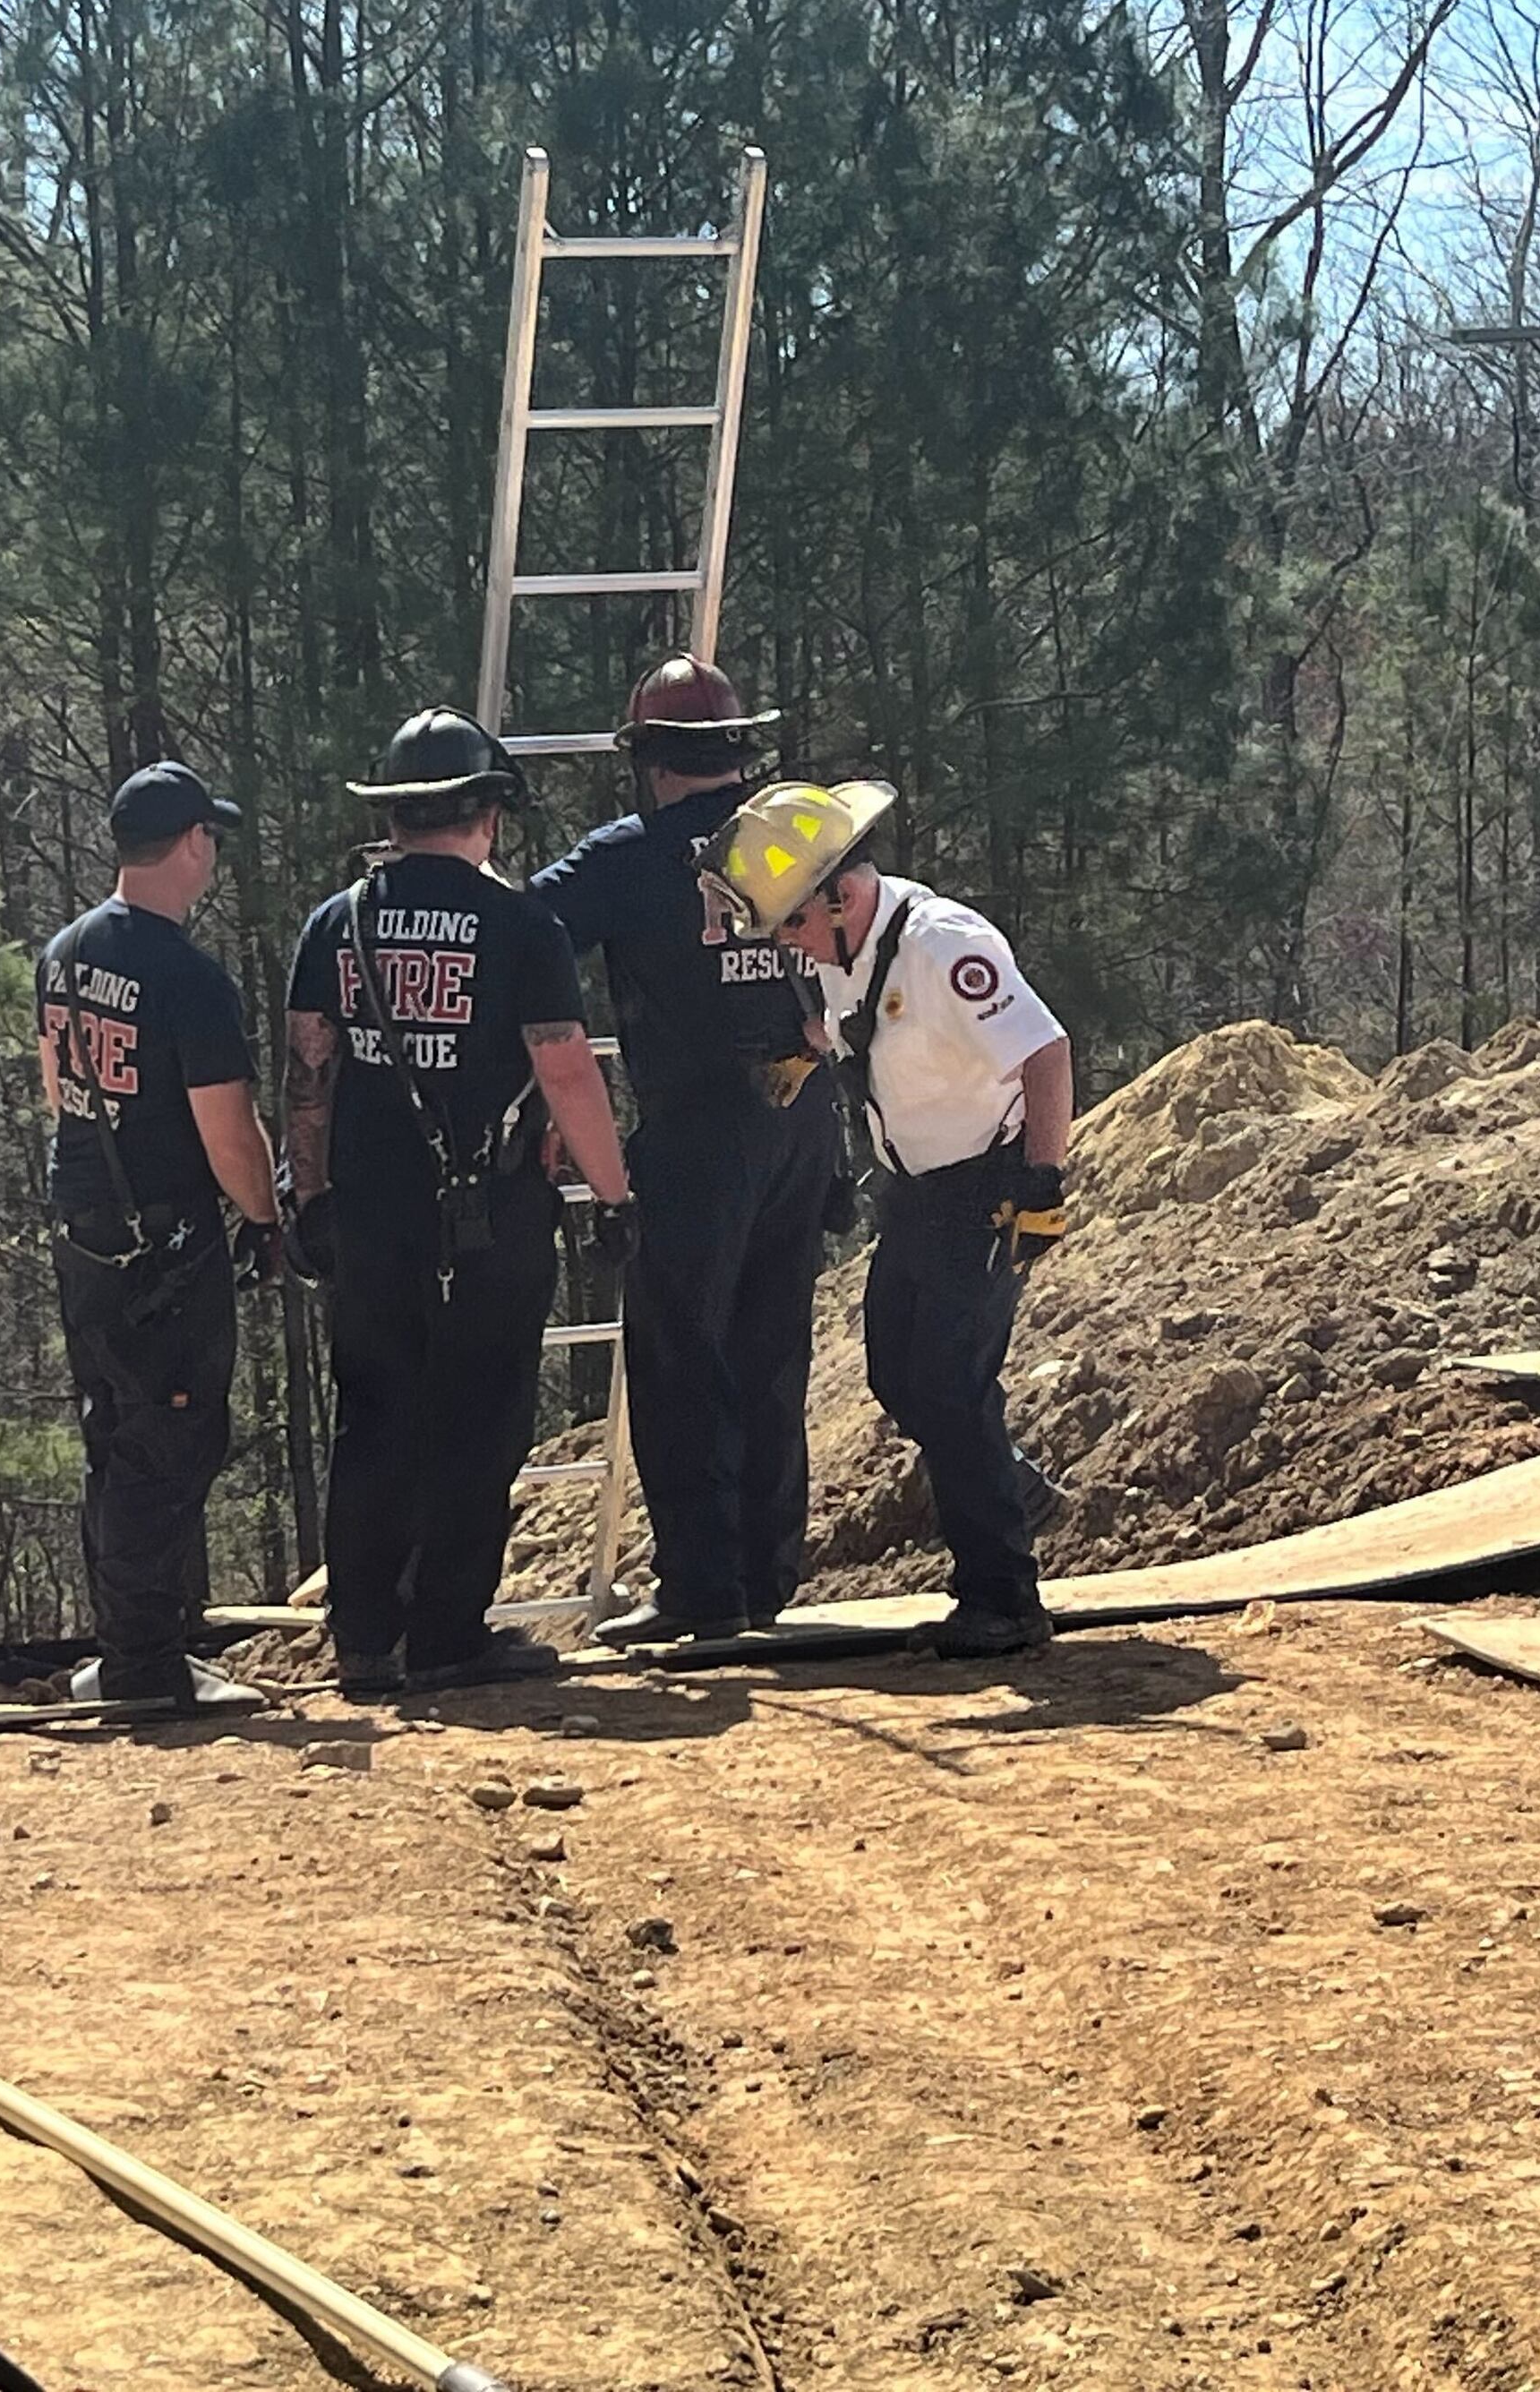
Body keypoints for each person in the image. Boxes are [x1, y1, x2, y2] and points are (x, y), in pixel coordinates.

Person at [285, 708, 635, 1696]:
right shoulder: (522, 923)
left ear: (394, 814)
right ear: (486, 811)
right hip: (490, 1212)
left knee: (374, 1417)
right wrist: (612, 1195)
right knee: (479, 1423)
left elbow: (308, 1069)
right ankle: (445, 1633)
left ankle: (362, 1640)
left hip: (367, 1213)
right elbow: (566, 1070)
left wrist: (306, 1197)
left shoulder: (336, 922)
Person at [702, 780, 1074, 1658]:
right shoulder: (842, 944)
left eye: (792, 923)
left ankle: (1003, 1599)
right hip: (914, 1191)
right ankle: (1008, 1490)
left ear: (842, 891)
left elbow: (1046, 1050)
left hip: (985, 1184)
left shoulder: (945, 948)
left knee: (951, 1384)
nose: (787, 943)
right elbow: (849, 1017)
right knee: (895, 1376)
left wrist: (1044, 1184)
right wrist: (807, 1051)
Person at [531, 658, 838, 1647]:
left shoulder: (626, 859)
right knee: (771, 1348)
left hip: (697, 1126)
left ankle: (704, 1589)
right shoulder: (802, 838)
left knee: (680, 1355)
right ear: (739, 752)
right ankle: (765, 1576)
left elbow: (523, 934)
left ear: (650, 762)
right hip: (801, 1115)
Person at [37, 760, 283, 1711]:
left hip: (84, 1227)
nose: (213, 855)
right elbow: (228, 1129)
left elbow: (61, 1088)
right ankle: (145, 1663)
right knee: (170, 1438)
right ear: (190, 844)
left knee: (114, 1431)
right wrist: (262, 1221)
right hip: (164, 1243)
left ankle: (136, 1646)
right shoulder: (186, 977)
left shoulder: (64, 951)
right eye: (209, 838)